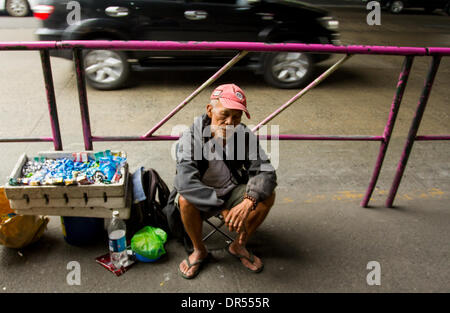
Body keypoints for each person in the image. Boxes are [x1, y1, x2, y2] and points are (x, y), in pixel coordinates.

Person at [173, 83, 277, 279]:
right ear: (210, 110)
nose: (230, 122)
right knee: (184, 199)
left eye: (236, 117)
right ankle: (199, 250)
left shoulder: (243, 134)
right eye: (225, 114)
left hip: (231, 190)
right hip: (202, 195)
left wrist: (249, 201)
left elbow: (266, 170)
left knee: (267, 196)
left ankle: (239, 245)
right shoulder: (191, 138)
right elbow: (186, 183)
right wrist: (223, 209)